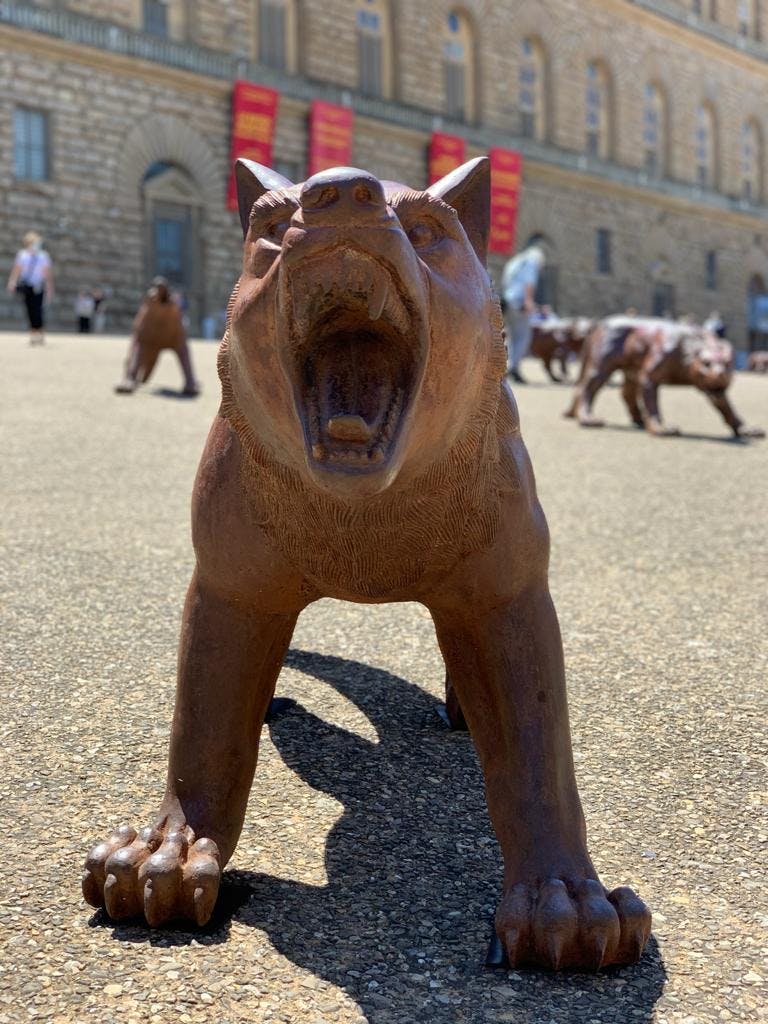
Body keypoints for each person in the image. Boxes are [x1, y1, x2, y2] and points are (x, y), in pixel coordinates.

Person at [115, 277, 199, 396]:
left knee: (183, 350)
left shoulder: (171, 303)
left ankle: (190, 381)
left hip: (172, 337)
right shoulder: (151, 301)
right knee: (139, 351)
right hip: (149, 337)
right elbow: (140, 324)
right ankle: (130, 377)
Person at [500, 243, 546, 384]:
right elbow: (529, 283)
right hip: (520, 303)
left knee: (512, 336)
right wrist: (529, 302)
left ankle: (506, 366)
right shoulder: (531, 262)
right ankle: (514, 368)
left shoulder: (515, 262)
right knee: (523, 336)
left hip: (508, 301)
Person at [6, 231, 54, 345]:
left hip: (38, 286)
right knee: (29, 309)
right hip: (27, 286)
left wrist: (50, 288)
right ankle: (33, 333)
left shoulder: (43, 256)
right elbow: (17, 269)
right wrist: (12, 282)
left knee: (38, 310)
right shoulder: (22, 255)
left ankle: (40, 332)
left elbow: (47, 274)